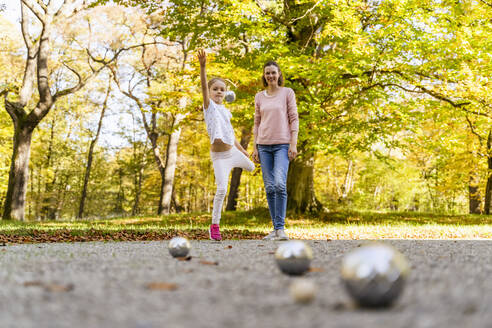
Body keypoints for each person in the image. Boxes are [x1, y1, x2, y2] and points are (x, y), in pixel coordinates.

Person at [198, 49, 255, 241]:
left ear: (225, 93)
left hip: (232, 152)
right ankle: (214, 225)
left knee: (252, 166)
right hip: (220, 158)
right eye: (216, 89)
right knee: (222, 189)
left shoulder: (225, 111)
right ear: (210, 92)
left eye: (222, 89)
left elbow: (231, 135)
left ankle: (251, 158)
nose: (219, 92)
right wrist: (203, 66)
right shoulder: (209, 107)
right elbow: (204, 89)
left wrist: (243, 152)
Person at [252, 61, 299, 241]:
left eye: (273, 72)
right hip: (263, 146)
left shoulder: (287, 93)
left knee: (280, 184)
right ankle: (275, 229)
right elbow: (256, 123)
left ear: (279, 74)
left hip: (282, 145)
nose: (270, 76)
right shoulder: (259, 96)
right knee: (270, 187)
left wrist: (293, 143)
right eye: (267, 73)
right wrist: (255, 147)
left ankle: (281, 229)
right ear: (264, 76)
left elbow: (294, 119)